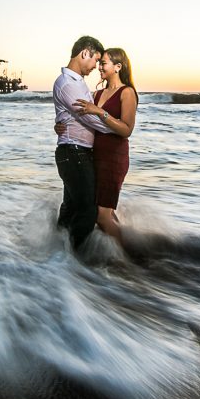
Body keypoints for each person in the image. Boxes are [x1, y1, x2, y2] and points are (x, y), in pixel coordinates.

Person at [71, 48, 138, 245]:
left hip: (114, 158)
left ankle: (130, 259)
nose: (100, 66)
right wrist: (62, 127)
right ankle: (121, 250)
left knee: (102, 216)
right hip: (94, 155)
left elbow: (126, 130)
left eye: (104, 63)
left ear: (118, 67)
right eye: (100, 63)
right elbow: (87, 122)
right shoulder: (97, 93)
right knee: (103, 212)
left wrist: (100, 112)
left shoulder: (127, 93)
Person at [53, 35, 112, 251]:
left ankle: (59, 254)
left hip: (76, 152)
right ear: (84, 53)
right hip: (73, 153)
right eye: (95, 60)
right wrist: (117, 127)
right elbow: (88, 117)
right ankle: (75, 259)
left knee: (71, 208)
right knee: (87, 210)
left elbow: (72, 116)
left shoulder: (77, 83)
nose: (95, 66)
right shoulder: (67, 83)